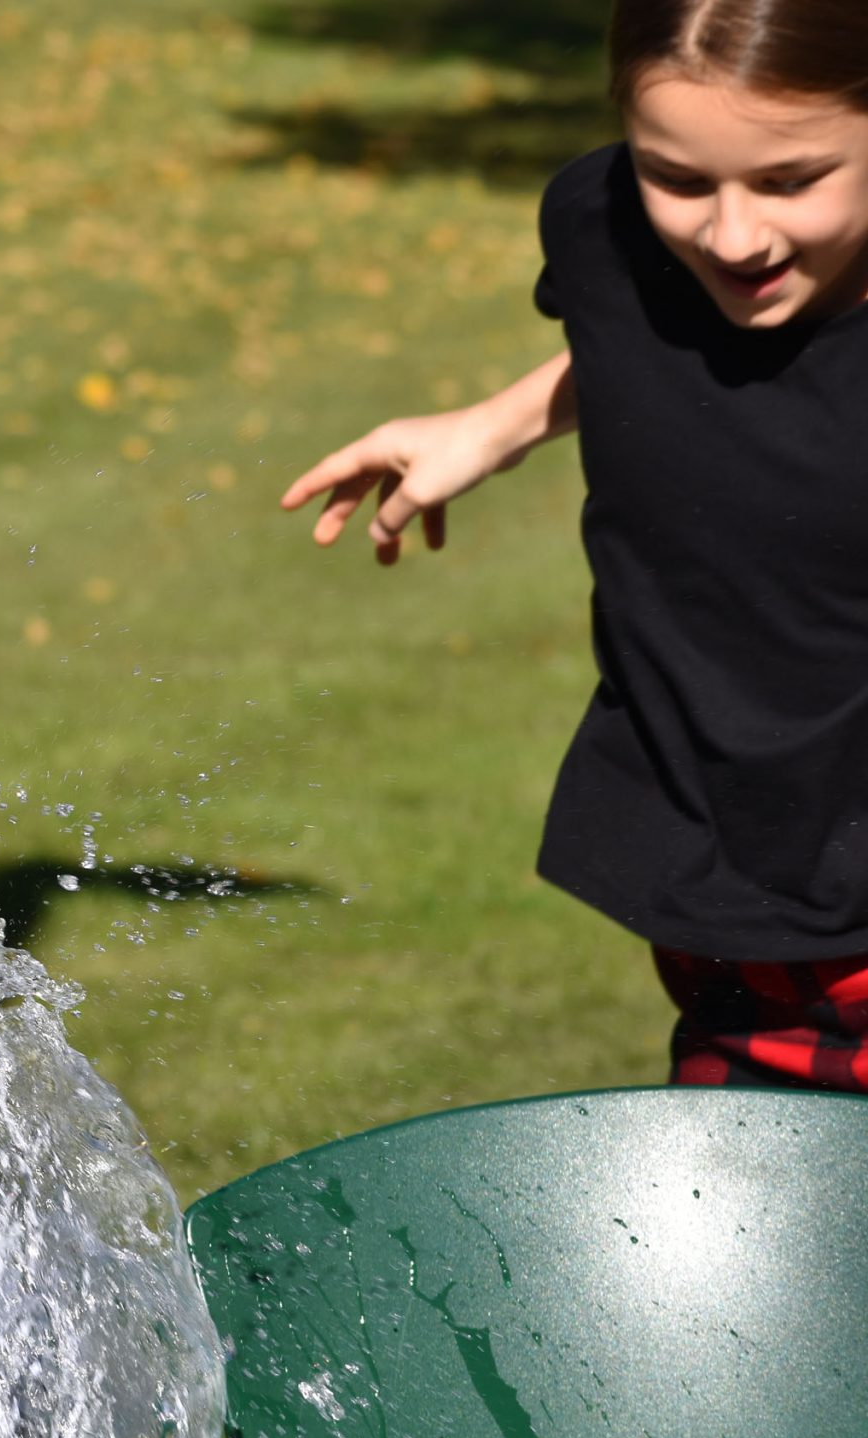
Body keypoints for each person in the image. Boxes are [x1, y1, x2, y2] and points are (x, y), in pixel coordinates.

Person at [282, 0, 868, 1091]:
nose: (734, 237)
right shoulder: (603, 229)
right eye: (679, 179)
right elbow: (656, 351)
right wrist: (496, 425)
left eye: (791, 181)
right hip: (720, 892)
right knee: (759, 1234)